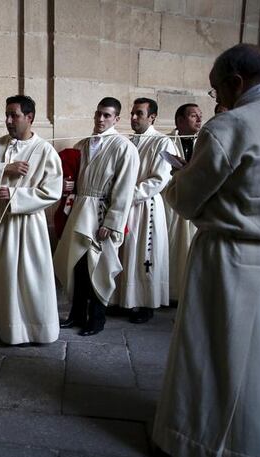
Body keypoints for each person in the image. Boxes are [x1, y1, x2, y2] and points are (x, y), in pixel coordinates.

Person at [152, 44, 260, 457]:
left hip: (230, 254)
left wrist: (180, 175)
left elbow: (186, 200)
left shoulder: (231, 125)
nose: (216, 100)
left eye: (215, 90)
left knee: (213, 354)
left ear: (235, 82)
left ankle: (199, 447)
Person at [0, 95, 63, 344]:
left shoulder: (44, 150)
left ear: (29, 117)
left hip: (26, 223)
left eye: (14, 115)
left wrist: (14, 195)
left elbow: (52, 191)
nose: (8, 120)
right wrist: (3, 169)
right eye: (7, 114)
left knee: (24, 275)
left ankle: (26, 328)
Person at [53, 97, 139, 336]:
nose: (101, 119)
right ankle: (76, 314)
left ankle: (97, 319)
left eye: (107, 115)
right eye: (98, 114)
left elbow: (124, 189)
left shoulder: (124, 147)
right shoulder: (83, 144)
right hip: (79, 211)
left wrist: (112, 223)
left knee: (98, 267)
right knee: (78, 266)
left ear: (117, 119)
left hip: (101, 213)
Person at [116, 98, 175, 323]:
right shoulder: (129, 141)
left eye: (139, 114)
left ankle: (146, 303)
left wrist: (128, 194)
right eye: (132, 113)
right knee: (127, 252)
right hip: (126, 206)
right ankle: (126, 300)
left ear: (152, 117)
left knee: (144, 255)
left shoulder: (162, 142)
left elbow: (160, 178)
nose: (133, 118)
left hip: (146, 206)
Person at [165, 103, 202, 302]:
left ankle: (187, 293)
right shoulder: (166, 141)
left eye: (200, 116)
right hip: (172, 203)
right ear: (179, 120)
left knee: (189, 248)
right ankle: (171, 292)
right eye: (193, 116)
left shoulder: (204, 142)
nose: (198, 119)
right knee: (173, 248)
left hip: (194, 202)